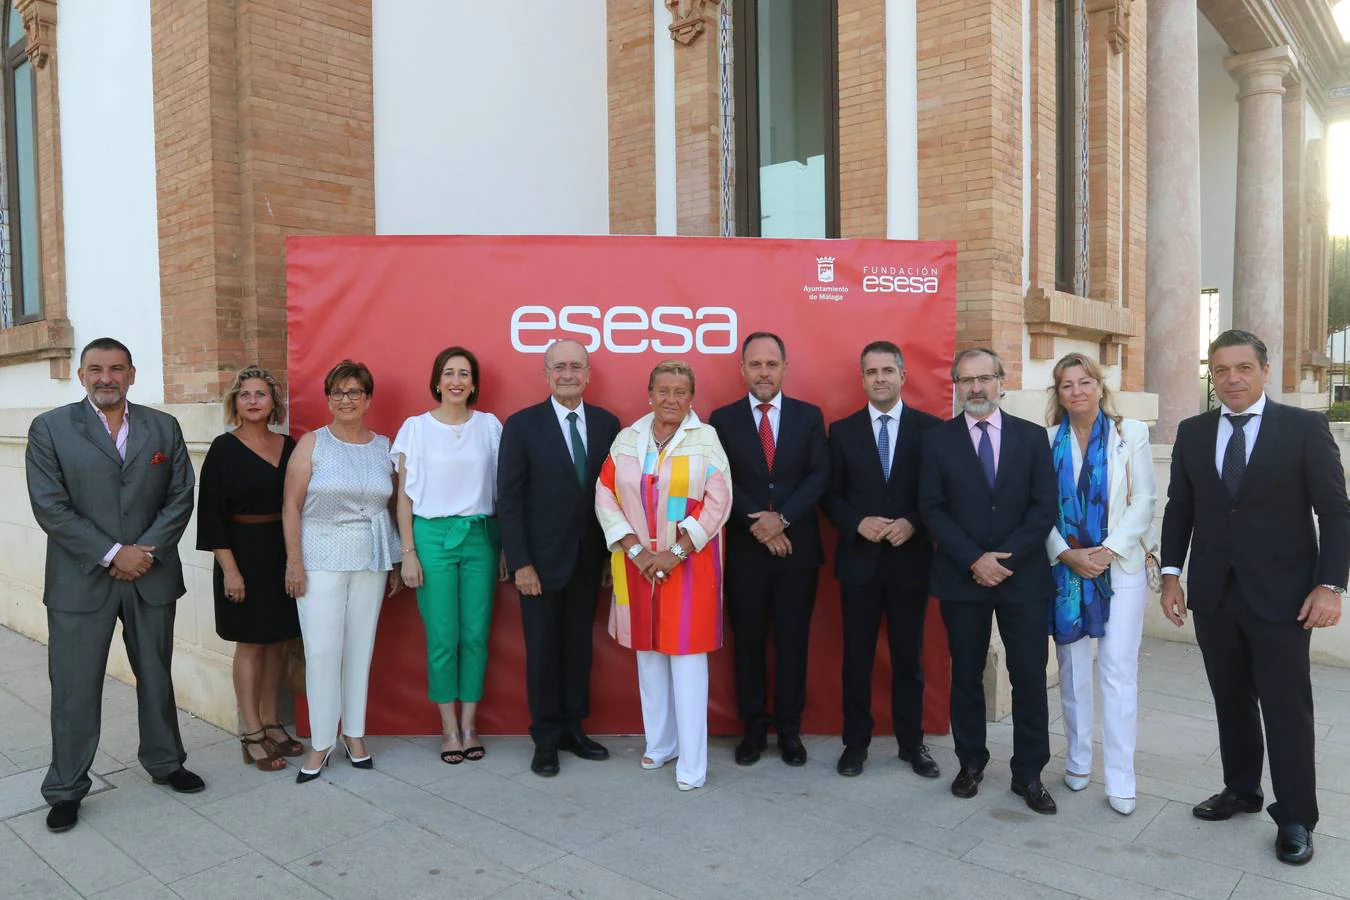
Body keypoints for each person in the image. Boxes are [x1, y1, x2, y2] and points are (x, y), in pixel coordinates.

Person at [1160, 329, 1349, 866]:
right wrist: (1172, 576)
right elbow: (1180, 509)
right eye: (1220, 370)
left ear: (1265, 370)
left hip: (1285, 597)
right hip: (1215, 594)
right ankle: (1242, 789)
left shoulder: (1304, 428)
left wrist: (1331, 585)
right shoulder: (1193, 431)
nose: (1232, 379)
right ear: (1211, 376)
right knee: (1230, 699)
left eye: (1243, 368)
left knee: (1287, 708)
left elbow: (1335, 512)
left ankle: (1296, 816)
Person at [26, 337, 200, 833]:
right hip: (81, 579)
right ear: (81, 375)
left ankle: (166, 762)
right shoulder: (50, 428)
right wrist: (111, 553)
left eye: (117, 368)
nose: (107, 377)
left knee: (157, 675)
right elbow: (49, 506)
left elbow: (180, 495)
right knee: (74, 687)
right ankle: (66, 788)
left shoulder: (163, 427)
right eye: (96, 369)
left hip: (151, 573)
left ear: (132, 374)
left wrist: (142, 551)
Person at [919, 348, 1058, 814]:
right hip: (963, 578)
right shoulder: (938, 442)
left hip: (1023, 580)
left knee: (1029, 677)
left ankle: (1030, 773)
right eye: (966, 380)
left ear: (1002, 381)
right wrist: (975, 559)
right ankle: (970, 763)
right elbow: (932, 509)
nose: (975, 388)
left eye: (984, 379)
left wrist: (1006, 559)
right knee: (966, 676)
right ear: (955, 385)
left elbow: (1044, 509)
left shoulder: (1033, 438)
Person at [594, 360, 732, 791]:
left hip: (689, 566)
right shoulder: (627, 439)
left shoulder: (705, 439)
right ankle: (661, 742)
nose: (671, 399)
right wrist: (633, 547)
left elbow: (718, 502)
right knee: (648, 656)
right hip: (637, 566)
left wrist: (676, 551)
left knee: (688, 664)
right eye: (663, 391)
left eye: (681, 392)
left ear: (692, 398)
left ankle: (692, 763)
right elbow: (605, 495)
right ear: (649, 393)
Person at [498, 339, 619, 777]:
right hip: (540, 565)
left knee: (579, 649)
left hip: (589, 561)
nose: (568, 374)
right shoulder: (522, 425)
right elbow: (509, 501)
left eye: (576, 366)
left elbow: (615, 496)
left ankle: (573, 729)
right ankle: (545, 738)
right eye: (559, 367)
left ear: (588, 374)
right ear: (545, 374)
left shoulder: (608, 424)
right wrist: (521, 562)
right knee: (544, 652)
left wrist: (611, 556)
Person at [1042, 352, 1155, 816]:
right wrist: (1065, 553)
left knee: (1116, 671)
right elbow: (1037, 507)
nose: (1077, 392)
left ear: (1099, 385)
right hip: (1065, 570)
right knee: (1071, 670)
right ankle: (1078, 760)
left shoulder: (1132, 434)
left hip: (1119, 568)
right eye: (1067, 385)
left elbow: (1145, 498)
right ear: (1058, 393)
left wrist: (1107, 552)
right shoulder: (1046, 440)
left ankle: (1121, 778)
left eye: (1084, 381)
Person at [821, 341, 941, 778]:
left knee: (909, 659)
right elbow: (829, 495)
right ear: (863, 378)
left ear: (903, 375)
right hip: (860, 564)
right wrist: (856, 522)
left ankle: (913, 744)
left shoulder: (931, 430)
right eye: (872, 371)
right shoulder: (843, 430)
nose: (880, 378)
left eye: (888, 370)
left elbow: (939, 495)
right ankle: (856, 745)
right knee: (857, 657)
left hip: (910, 563)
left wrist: (913, 522)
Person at [709, 332, 828, 768]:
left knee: (794, 642)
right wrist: (758, 523)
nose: (763, 372)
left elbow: (820, 475)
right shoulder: (720, 420)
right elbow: (718, 479)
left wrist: (783, 518)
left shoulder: (809, 416)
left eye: (771, 364)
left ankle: (790, 731)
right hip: (745, 553)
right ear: (742, 370)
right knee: (749, 644)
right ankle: (754, 729)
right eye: (755, 364)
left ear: (784, 368)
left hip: (798, 551)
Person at [283, 359, 401, 783]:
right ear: (328, 399)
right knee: (321, 652)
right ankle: (320, 742)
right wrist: (294, 561)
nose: (345, 399)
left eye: (354, 392)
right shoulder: (312, 443)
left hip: (370, 558)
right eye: (337, 392)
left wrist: (393, 563)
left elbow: (390, 507)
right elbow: (291, 506)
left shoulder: (384, 446)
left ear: (368, 399)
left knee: (359, 650)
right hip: (319, 559)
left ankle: (354, 734)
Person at [393, 346, 505, 765]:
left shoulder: (490, 426)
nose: (456, 381)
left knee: (475, 635)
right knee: (443, 637)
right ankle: (448, 728)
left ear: (474, 383)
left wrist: (503, 544)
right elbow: (403, 498)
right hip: (432, 539)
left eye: (464, 374)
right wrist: (408, 552)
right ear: (437, 381)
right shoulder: (416, 428)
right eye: (449, 373)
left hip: (479, 536)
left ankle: (471, 725)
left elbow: (502, 490)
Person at [197, 366, 303, 771]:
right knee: (251, 644)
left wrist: (297, 560)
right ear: (235, 403)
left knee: (278, 641)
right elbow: (211, 516)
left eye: (261, 394)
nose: (254, 400)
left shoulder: (289, 445)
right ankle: (252, 731)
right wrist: (231, 571)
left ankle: (274, 722)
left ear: (273, 402)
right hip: (240, 555)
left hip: (282, 554)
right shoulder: (224, 449)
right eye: (246, 394)